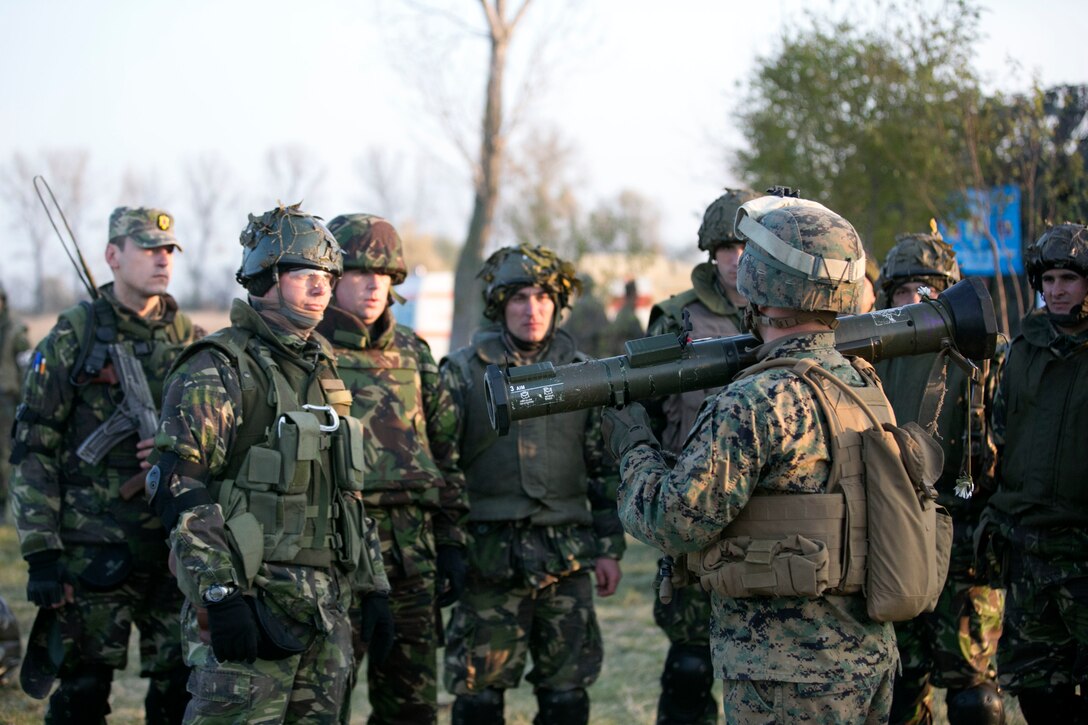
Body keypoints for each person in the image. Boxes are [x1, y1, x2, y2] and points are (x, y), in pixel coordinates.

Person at [607, 193, 899, 723]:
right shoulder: (862, 383)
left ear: (761, 283)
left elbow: (673, 521)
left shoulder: (757, 400)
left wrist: (632, 446)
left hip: (789, 675)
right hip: (868, 659)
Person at [146, 203, 393, 723]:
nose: (322, 287)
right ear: (266, 277)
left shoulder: (323, 368)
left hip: (325, 616)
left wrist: (374, 587)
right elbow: (176, 485)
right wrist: (219, 593)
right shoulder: (219, 364)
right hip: (252, 607)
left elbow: (341, 491)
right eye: (306, 275)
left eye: (328, 275)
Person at [10, 207, 199, 723]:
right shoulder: (75, 336)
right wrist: (41, 553)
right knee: (81, 694)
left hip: (171, 549)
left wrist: (173, 448)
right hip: (93, 550)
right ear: (113, 256)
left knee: (181, 690)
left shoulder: (193, 341)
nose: (162, 259)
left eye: (169, 251)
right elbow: (33, 447)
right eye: (148, 249)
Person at [440, 244, 625, 725]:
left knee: (566, 696)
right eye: (519, 297)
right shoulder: (462, 372)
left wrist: (609, 549)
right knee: (478, 699)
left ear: (558, 303)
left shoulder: (586, 374)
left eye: (543, 297)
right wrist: (448, 548)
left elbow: (603, 469)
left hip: (566, 559)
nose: (532, 309)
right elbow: (441, 468)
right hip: (488, 560)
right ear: (500, 304)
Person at [317, 213, 468, 724]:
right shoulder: (306, 354)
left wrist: (450, 542)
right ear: (333, 276)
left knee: (412, 708)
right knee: (322, 704)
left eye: (384, 275)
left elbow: (446, 455)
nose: (373, 285)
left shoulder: (414, 353)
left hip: (411, 557)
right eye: (360, 272)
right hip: (331, 555)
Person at [875, 230, 1005, 725]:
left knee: (976, 698)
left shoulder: (988, 357)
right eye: (904, 292)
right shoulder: (870, 360)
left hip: (966, 541)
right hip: (896, 539)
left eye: (928, 291)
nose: (914, 303)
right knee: (901, 691)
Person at [642, 187, 757, 724]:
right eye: (728, 248)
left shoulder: (786, 314)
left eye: (749, 246)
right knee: (690, 665)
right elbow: (643, 412)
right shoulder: (676, 319)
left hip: (767, 521)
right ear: (712, 253)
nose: (738, 259)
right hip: (695, 519)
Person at [978, 223, 1088, 723]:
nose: (1058, 289)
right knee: (1037, 689)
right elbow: (1000, 433)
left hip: (1083, 552)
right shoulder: (1020, 349)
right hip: (1028, 548)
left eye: (1070, 277)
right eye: (1049, 279)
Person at [0, 282, 29, 520]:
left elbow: (26, 371)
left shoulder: (16, 332)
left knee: (6, 455)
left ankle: (8, 510)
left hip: (8, 400)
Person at [561, 273, 611, 358]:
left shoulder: (579, 307)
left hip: (583, 353)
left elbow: (568, 330)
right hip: (597, 353)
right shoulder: (597, 305)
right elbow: (606, 329)